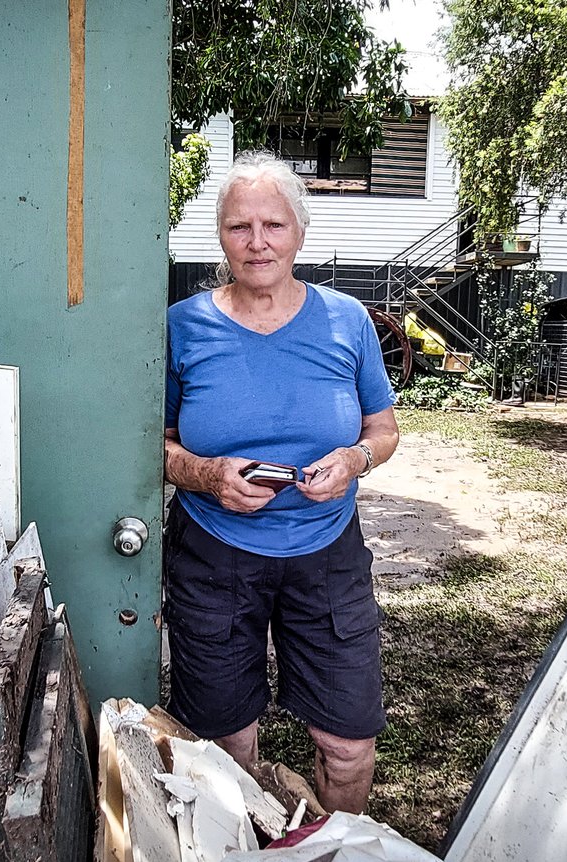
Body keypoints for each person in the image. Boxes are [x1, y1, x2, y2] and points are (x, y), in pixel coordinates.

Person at [163, 150, 400, 815]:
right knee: (227, 745)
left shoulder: (346, 321)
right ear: (221, 235)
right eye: (240, 226)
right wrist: (206, 475)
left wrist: (355, 459)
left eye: (273, 224)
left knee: (348, 746)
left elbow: (384, 429)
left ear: (299, 230)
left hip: (326, 554)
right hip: (213, 553)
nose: (257, 241)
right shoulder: (182, 328)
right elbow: (151, 444)